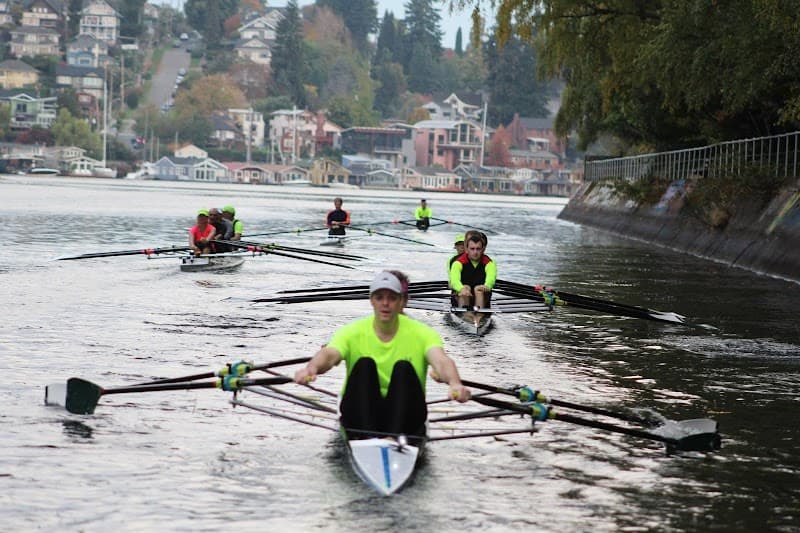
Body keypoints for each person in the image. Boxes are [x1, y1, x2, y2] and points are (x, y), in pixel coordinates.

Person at [294, 270, 471, 440]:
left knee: (403, 368)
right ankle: (368, 437)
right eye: (379, 297)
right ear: (371, 300)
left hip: (406, 418)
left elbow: (441, 361)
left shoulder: (423, 333)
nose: (385, 303)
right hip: (360, 416)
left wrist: (455, 383)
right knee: (365, 364)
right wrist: (311, 369)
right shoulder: (351, 331)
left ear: (401, 302)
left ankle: (390, 438)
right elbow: (329, 354)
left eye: (392, 298)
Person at [449, 231, 496, 310]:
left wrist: (487, 286)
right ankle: (464, 313)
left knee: (478, 289)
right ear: (466, 249)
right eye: (472, 249)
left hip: (481, 294)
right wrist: (461, 289)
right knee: (465, 287)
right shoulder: (457, 263)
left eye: (478, 249)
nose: (475, 252)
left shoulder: (489, 263)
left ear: (483, 249)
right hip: (463, 295)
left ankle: (479, 314)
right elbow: (454, 280)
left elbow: (491, 278)